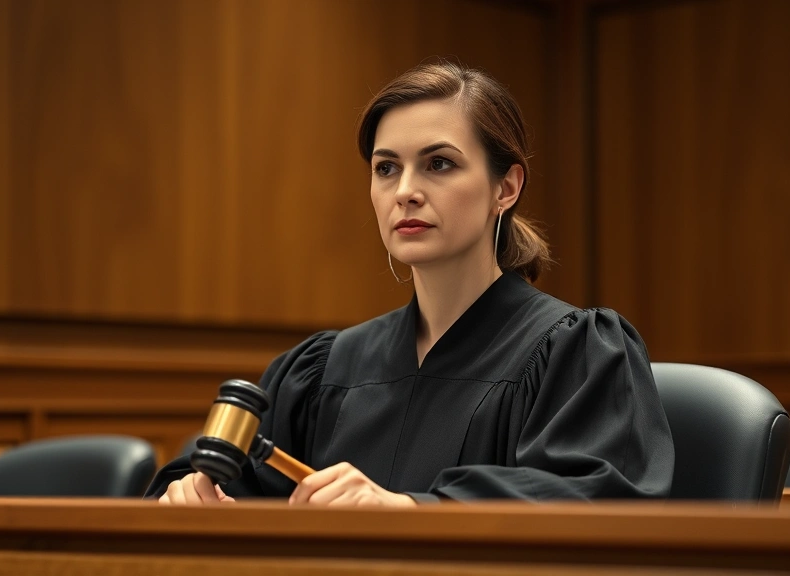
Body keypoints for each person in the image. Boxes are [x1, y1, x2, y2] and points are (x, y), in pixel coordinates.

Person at [148, 61, 674, 506]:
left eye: (438, 164)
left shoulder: (578, 352)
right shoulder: (323, 370)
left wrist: (409, 510)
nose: (405, 191)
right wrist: (188, 493)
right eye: (386, 168)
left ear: (506, 188)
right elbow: (220, 473)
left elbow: (596, 501)